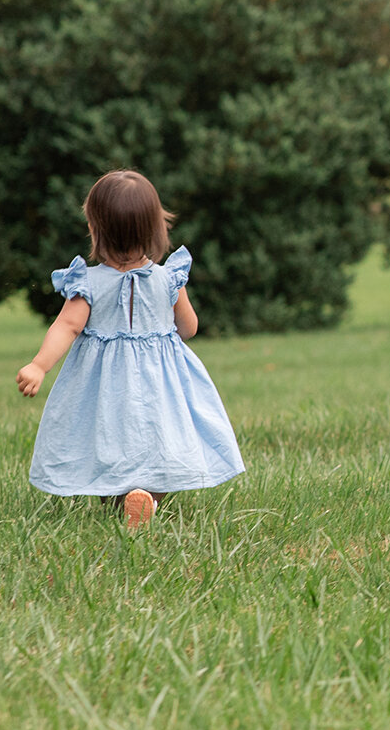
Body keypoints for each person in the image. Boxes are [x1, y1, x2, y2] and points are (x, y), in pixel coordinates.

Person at [16, 170, 244, 530]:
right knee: (160, 438)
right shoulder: (169, 278)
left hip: (106, 385)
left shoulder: (88, 282)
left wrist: (39, 365)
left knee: (108, 440)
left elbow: (67, 326)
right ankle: (148, 500)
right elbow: (189, 328)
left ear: (95, 229)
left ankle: (120, 502)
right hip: (160, 382)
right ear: (157, 229)